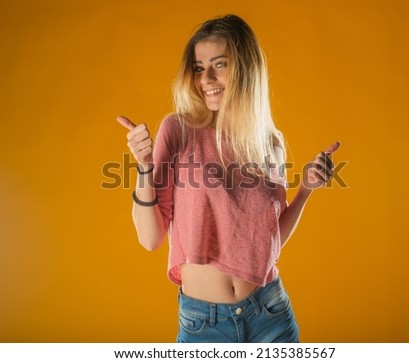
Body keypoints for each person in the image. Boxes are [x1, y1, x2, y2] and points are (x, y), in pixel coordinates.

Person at [117, 14, 340, 343]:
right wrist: (144, 166)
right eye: (198, 67)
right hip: (204, 324)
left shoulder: (269, 142)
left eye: (219, 65)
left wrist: (306, 189)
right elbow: (150, 239)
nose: (206, 78)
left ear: (246, 69)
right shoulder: (178, 131)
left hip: (271, 315)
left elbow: (269, 243)